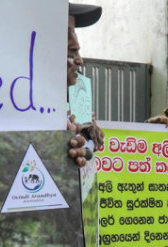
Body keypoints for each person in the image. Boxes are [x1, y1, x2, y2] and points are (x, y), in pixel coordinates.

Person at [66, 4, 105, 167]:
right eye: (65, 32)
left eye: (73, 31)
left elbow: (90, 145)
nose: (76, 44)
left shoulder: (77, 86)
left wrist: (86, 140)